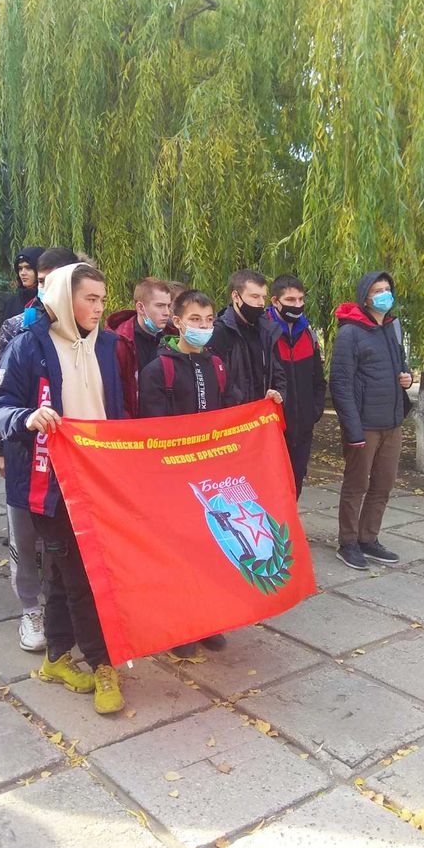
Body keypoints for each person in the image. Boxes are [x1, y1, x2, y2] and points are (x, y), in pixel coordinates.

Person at [0, 263, 126, 715]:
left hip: (101, 481)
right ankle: (104, 664)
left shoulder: (107, 346)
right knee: (84, 575)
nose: (98, 307)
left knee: (67, 575)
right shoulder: (29, 347)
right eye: (90, 298)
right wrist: (25, 419)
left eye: (103, 299)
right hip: (51, 483)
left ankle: (57, 657)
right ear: (66, 298)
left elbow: (117, 413)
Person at [0, 246, 79, 652]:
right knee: (24, 535)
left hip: (75, 463)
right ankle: (30, 607)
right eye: (43, 283)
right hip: (28, 454)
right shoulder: (16, 330)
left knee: (62, 540)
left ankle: (63, 609)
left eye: (56, 282)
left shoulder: (89, 337)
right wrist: (2, 446)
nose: (48, 291)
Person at [139, 288, 235, 658]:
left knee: (213, 549)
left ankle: (209, 620)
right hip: (174, 480)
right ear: (177, 322)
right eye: (195, 320)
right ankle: (179, 626)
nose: (204, 327)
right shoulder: (157, 369)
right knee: (178, 555)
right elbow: (154, 428)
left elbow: (231, 413)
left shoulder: (218, 366)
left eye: (209, 320)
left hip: (212, 477)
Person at [329, 271, 414, 570]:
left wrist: (408, 378)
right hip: (364, 424)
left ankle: (369, 538)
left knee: (383, 484)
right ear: (365, 296)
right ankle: (348, 542)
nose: (384, 294)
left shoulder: (392, 328)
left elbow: (401, 367)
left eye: (387, 289)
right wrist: (352, 429)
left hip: (391, 423)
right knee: (356, 485)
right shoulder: (350, 333)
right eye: (377, 290)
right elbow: (340, 384)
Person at [267, 275, 327, 499]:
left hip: (303, 426)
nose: (297, 305)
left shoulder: (308, 334)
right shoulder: (265, 333)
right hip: (274, 427)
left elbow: (318, 380)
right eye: (290, 300)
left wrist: (315, 411)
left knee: (296, 480)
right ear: (275, 301)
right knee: (271, 484)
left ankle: (290, 529)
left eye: (301, 299)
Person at [209, 269, 286, 409]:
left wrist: (278, 394)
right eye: (255, 296)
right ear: (236, 296)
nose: (261, 303)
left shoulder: (268, 330)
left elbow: (278, 373)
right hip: (235, 419)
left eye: (264, 297)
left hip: (262, 415)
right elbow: (217, 382)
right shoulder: (220, 332)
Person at [105, 277, 172, 416]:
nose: (167, 312)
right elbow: (115, 395)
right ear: (140, 307)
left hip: (170, 426)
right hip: (135, 427)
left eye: (168, 306)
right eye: (160, 306)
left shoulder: (173, 337)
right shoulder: (120, 343)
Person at [0, 247, 44, 327]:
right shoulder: (11, 303)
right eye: (20, 269)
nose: (23, 273)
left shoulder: (48, 299)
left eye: (28, 268)